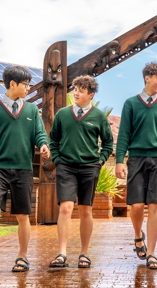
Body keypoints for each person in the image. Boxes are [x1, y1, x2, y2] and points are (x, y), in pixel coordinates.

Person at [0, 65, 50, 274]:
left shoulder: (32, 110)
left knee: (23, 215)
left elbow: (39, 134)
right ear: (12, 84)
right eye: (26, 84)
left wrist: (43, 145)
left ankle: (23, 257)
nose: (29, 87)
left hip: (23, 170)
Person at [115, 62, 157, 270]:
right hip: (136, 158)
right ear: (147, 78)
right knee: (136, 206)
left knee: (154, 204)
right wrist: (119, 160)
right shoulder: (131, 104)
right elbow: (124, 133)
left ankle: (152, 252)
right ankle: (138, 236)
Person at [48, 75, 113, 269]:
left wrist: (100, 161)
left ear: (90, 95)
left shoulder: (99, 117)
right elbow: (54, 140)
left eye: (81, 90)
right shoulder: (62, 114)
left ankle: (84, 253)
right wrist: (58, 160)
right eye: (75, 89)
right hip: (66, 166)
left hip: (89, 167)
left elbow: (108, 143)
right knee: (65, 208)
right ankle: (62, 253)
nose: (75, 93)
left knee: (85, 209)